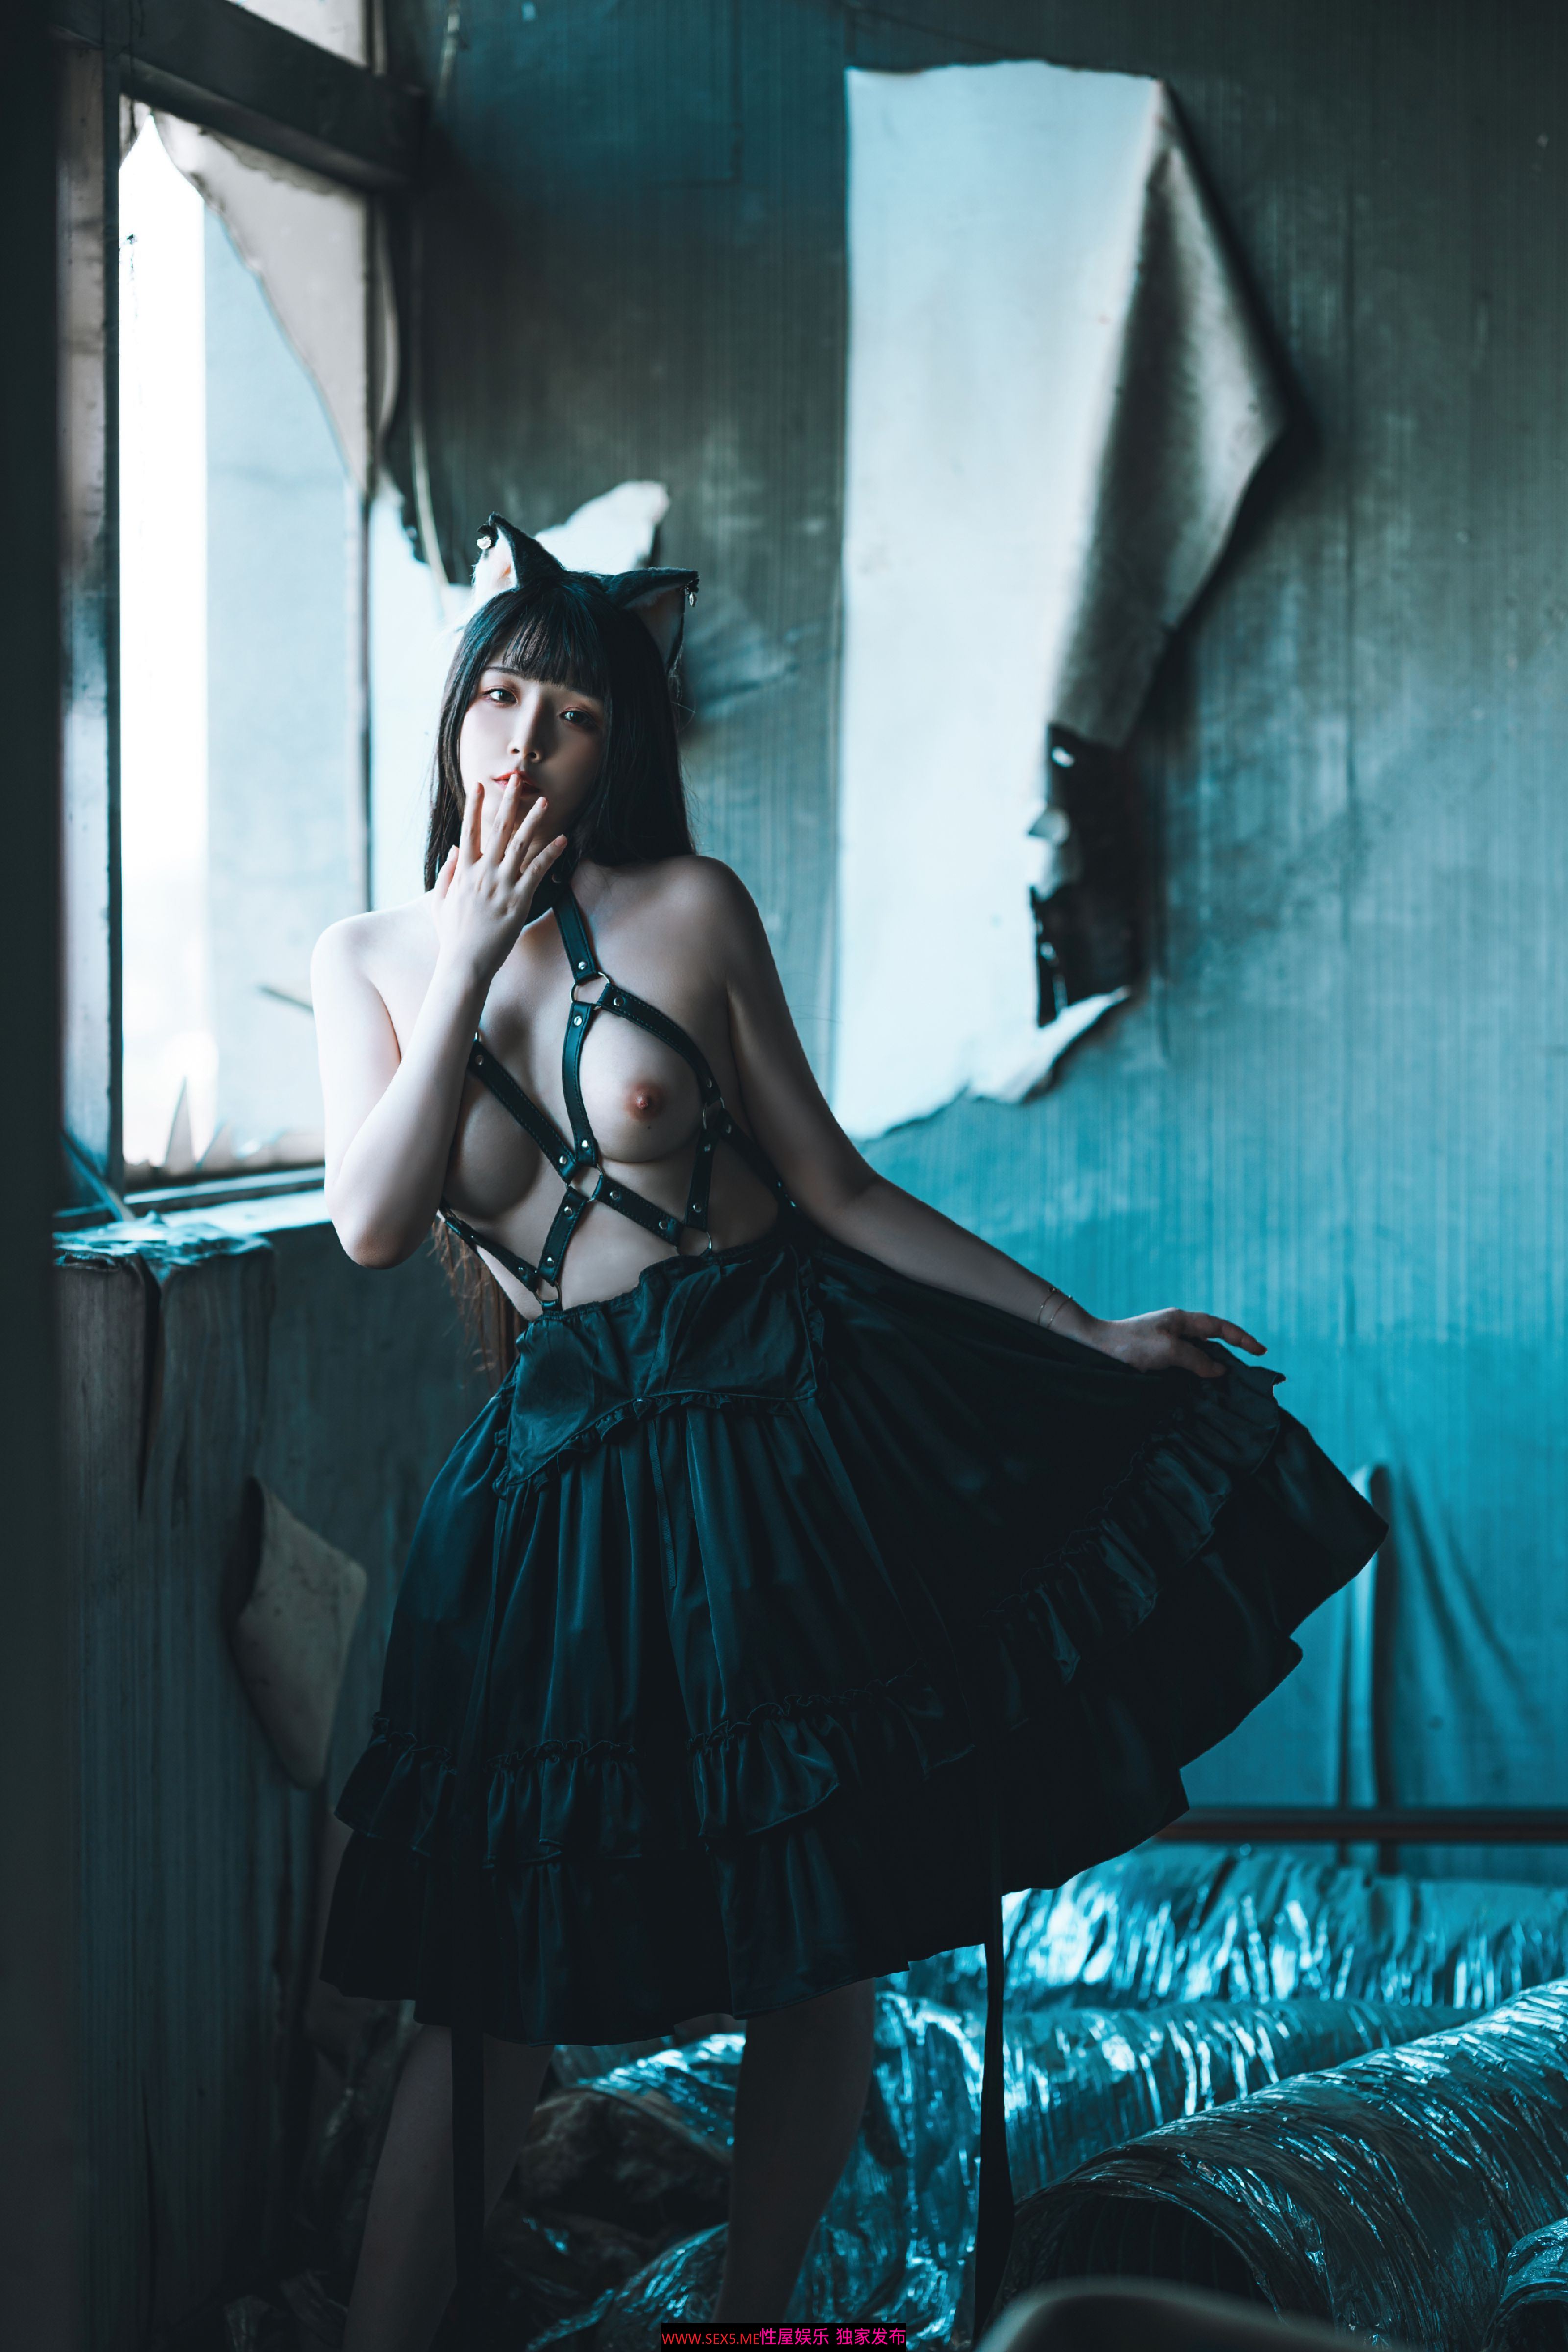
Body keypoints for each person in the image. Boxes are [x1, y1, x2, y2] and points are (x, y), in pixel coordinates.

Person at [311, 514, 1385, 2352]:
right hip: (552, 1494)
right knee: (483, 1992)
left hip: (773, 1439)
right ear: (451, 713)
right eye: (498, 699)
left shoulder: (690, 908)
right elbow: (371, 1222)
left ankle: (746, 2327)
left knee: (822, 1922)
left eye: (573, 714)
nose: (525, 741)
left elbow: (839, 1188)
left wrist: (1085, 1332)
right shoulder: (369, 954)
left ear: (618, 746)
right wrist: (470, 943)